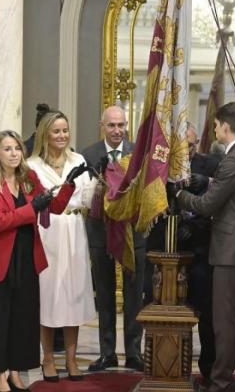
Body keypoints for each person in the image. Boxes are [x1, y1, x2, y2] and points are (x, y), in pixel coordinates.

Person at [169, 102, 235, 392]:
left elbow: (207, 204)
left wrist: (179, 192)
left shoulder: (234, 159)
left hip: (230, 250)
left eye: (214, 125)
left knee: (225, 321)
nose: (213, 130)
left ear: (225, 126)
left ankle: (220, 382)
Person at [0, 130, 77, 392]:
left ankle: (15, 372)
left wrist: (69, 185)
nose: (14, 153)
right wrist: (33, 208)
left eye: (17, 148)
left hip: (26, 256)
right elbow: (1, 220)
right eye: (7, 149)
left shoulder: (28, 178)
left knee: (22, 319)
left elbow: (53, 207)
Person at [26, 109, 95, 382]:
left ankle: (71, 358)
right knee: (49, 296)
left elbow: (88, 197)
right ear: (45, 133)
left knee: (73, 295)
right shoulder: (32, 165)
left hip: (75, 230)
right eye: (56, 131)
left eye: (65, 130)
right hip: (47, 232)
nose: (62, 135)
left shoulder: (78, 160)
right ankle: (47, 358)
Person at [80, 105, 146, 372]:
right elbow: (84, 196)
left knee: (134, 295)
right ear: (102, 125)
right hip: (101, 232)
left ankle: (134, 353)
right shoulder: (88, 155)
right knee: (105, 294)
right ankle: (107, 353)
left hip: (133, 233)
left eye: (121, 125)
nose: (117, 130)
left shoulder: (138, 153)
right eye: (111, 125)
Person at [181, 120, 220, 389]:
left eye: (193, 145)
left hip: (205, 248)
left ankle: (208, 369)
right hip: (173, 249)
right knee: (174, 313)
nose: (190, 151)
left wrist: (206, 183)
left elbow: (220, 197)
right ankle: (173, 366)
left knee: (207, 314)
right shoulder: (161, 164)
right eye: (184, 147)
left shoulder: (210, 164)